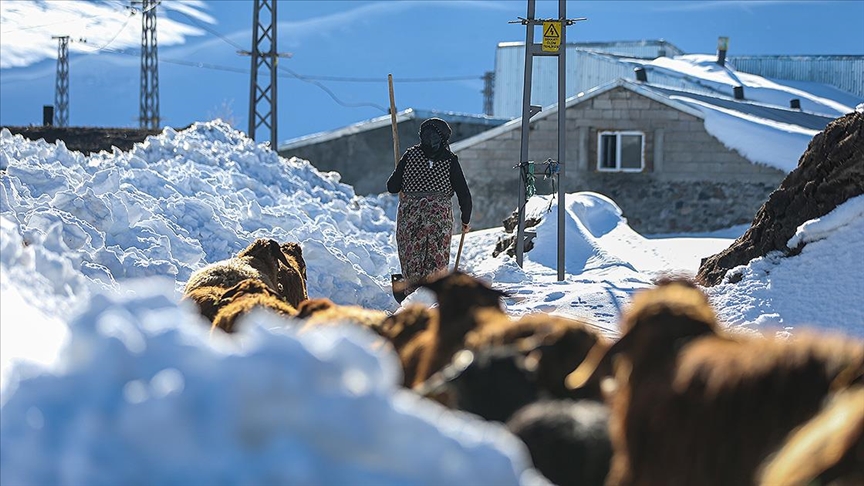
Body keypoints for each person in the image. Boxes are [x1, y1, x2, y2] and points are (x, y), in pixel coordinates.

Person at [387, 117, 472, 295]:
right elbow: (464, 194)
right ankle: (434, 293)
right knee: (436, 254)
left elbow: (392, 187)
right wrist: (466, 220)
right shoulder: (450, 160)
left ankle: (412, 293)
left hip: (411, 215)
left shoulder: (410, 155)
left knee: (412, 254)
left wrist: (405, 181)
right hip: (439, 217)